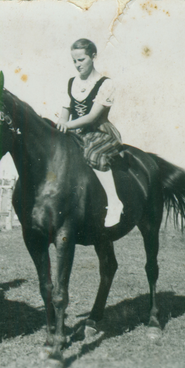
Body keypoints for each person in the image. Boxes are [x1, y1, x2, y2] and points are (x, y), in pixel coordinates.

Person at [56, 38, 124, 227]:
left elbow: (92, 117)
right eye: (74, 61)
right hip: (78, 134)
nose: (78, 65)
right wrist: (61, 122)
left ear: (93, 56)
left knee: (93, 154)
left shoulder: (105, 84)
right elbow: (64, 115)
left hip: (100, 133)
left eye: (81, 60)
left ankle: (114, 202)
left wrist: (67, 126)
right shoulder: (71, 83)